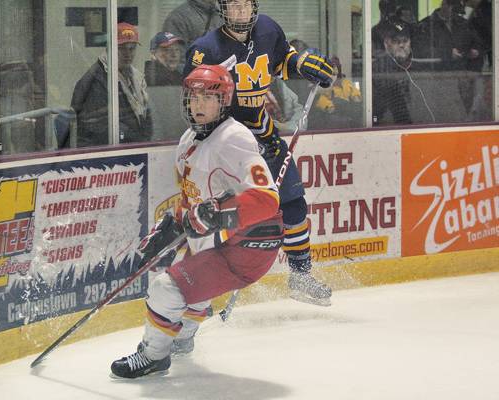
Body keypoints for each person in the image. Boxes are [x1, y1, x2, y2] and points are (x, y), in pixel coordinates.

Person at [110, 64, 284, 379]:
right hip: (224, 237)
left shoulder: (234, 138)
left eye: (208, 97)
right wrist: (172, 223)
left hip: (251, 243)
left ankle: (154, 356)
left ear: (224, 101)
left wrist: (217, 212)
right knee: (190, 277)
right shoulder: (188, 139)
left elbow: (267, 199)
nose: (198, 104)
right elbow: (193, 200)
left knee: (166, 289)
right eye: (193, 97)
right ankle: (184, 336)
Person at [182, 0, 334, 308]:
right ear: (223, 10)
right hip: (227, 148)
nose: (239, 14)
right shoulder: (205, 49)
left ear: (254, 7)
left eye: (244, 7)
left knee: (292, 204)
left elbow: (282, 61)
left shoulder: (267, 29)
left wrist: (303, 65)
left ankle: (300, 275)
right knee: (224, 217)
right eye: (233, 7)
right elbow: (196, 104)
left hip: (265, 137)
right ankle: (200, 294)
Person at [70, 22, 153, 146]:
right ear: (109, 48)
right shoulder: (95, 81)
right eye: (122, 48)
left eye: (132, 48)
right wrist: (140, 140)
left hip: (130, 145)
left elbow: (145, 115)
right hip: (99, 153)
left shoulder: (135, 77)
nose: (128, 54)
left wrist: (146, 139)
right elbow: (100, 128)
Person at [372, 20, 435, 125]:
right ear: (387, 43)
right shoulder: (377, 68)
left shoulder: (420, 66)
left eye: (405, 41)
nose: (401, 45)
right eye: (396, 41)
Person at [314, 56, 362, 128]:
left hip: (349, 119)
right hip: (333, 122)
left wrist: (355, 99)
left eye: (337, 68)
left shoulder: (347, 83)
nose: (336, 76)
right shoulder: (324, 86)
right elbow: (327, 107)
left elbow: (357, 98)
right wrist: (332, 107)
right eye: (333, 73)